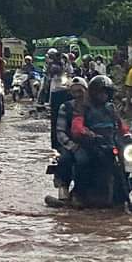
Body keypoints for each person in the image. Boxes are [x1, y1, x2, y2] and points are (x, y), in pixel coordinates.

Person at [70, 75, 131, 206]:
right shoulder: (83, 106)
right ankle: (78, 195)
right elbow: (77, 125)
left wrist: (128, 135)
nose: (104, 95)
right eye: (101, 92)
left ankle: (121, 191)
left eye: (106, 92)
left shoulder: (111, 108)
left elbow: (121, 125)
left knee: (123, 162)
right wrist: (88, 133)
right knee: (83, 162)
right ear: (93, 92)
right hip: (91, 144)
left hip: (110, 143)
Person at [50, 76, 89, 204]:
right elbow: (60, 132)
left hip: (91, 143)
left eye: (80, 91)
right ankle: (69, 191)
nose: (77, 95)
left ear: (86, 91)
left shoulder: (94, 107)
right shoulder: (65, 107)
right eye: (74, 92)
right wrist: (73, 146)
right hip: (70, 144)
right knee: (68, 159)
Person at [40, 48, 70, 150]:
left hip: (62, 81)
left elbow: (67, 71)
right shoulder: (50, 64)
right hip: (53, 81)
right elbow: (48, 72)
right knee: (45, 87)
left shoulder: (63, 62)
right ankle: (42, 100)